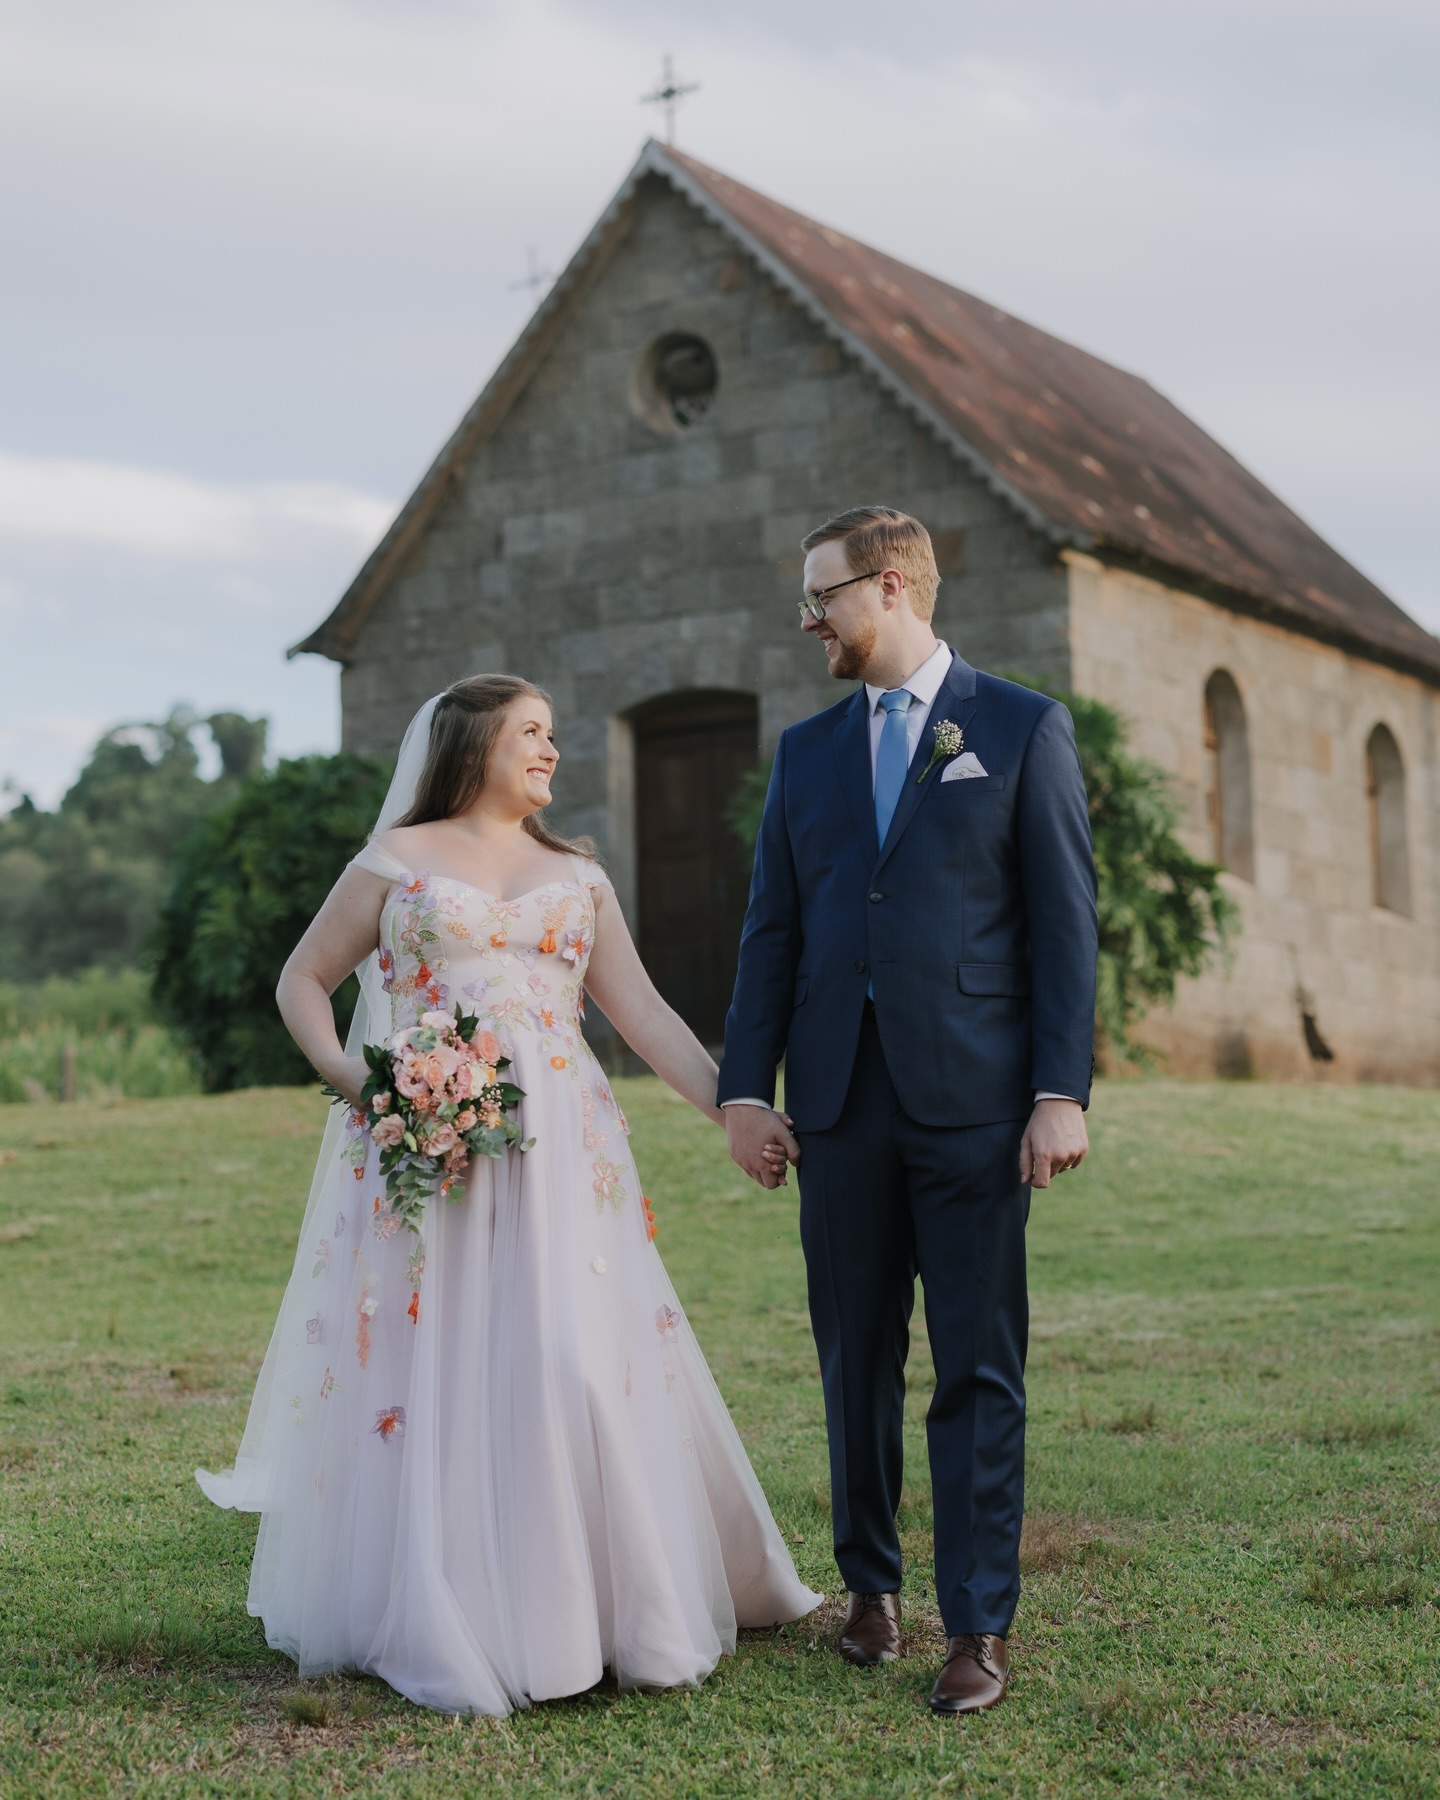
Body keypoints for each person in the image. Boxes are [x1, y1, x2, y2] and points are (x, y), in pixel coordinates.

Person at [197, 674, 818, 1715]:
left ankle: (606, 1606)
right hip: (434, 1147)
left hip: (563, 1147)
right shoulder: (396, 860)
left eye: (554, 735)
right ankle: (451, 1601)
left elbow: (648, 1018)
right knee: (443, 1355)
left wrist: (737, 1108)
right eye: (532, 733)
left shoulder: (576, 874)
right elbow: (302, 980)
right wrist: (369, 1087)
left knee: (569, 1351)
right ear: (474, 741)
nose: (552, 751)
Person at [718, 506, 1098, 1715]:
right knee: (854, 1359)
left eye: (820, 595)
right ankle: (871, 1591)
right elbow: (771, 931)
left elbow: (1063, 926)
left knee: (978, 1368)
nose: (808, 619)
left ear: (888, 588)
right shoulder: (805, 752)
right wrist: (743, 1088)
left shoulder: (1023, 727)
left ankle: (978, 1626)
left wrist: (1056, 1092)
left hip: (979, 1105)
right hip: (836, 1105)